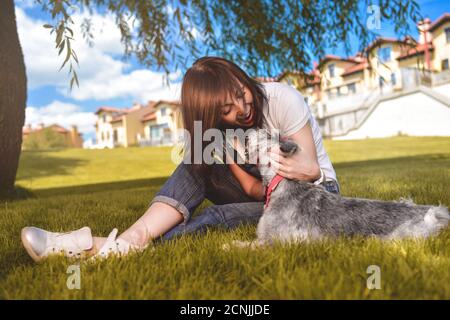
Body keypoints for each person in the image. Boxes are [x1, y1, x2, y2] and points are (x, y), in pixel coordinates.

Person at [21, 56, 339, 262]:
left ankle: (97, 247)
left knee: (215, 219)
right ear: (212, 115)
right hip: (265, 191)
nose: (242, 109)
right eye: (226, 110)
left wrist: (285, 171)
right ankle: (134, 236)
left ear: (241, 77)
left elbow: (309, 171)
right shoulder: (222, 131)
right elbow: (252, 187)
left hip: (311, 197)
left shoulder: (282, 99)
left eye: (240, 94)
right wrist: (227, 159)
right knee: (196, 164)